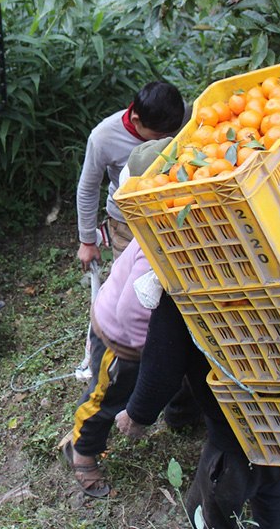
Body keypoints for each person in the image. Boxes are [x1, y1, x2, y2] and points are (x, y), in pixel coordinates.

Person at [62, 142, 202, 498]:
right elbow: (130, 311)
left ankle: (181, 416)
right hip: (121, 340)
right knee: (106, 398)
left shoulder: (168, 230)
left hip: (143, 338)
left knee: (177, 375)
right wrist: (149, 349)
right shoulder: (152, 256)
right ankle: (82, 452)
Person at [115, 295, 280, 528]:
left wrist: (136, 414)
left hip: (234, 432)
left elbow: (164, 365)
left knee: (207, 512)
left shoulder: (186, 283)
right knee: (272, 488)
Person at [76, 81, 187, 270]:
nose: (165, 140)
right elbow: (88, 188)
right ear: (136, 120)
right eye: (158, 136)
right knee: (129, 277)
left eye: (170, 134)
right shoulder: (104, 137)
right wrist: (87, 241)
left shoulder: (181, 113)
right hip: (128, 222)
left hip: (173, 213)